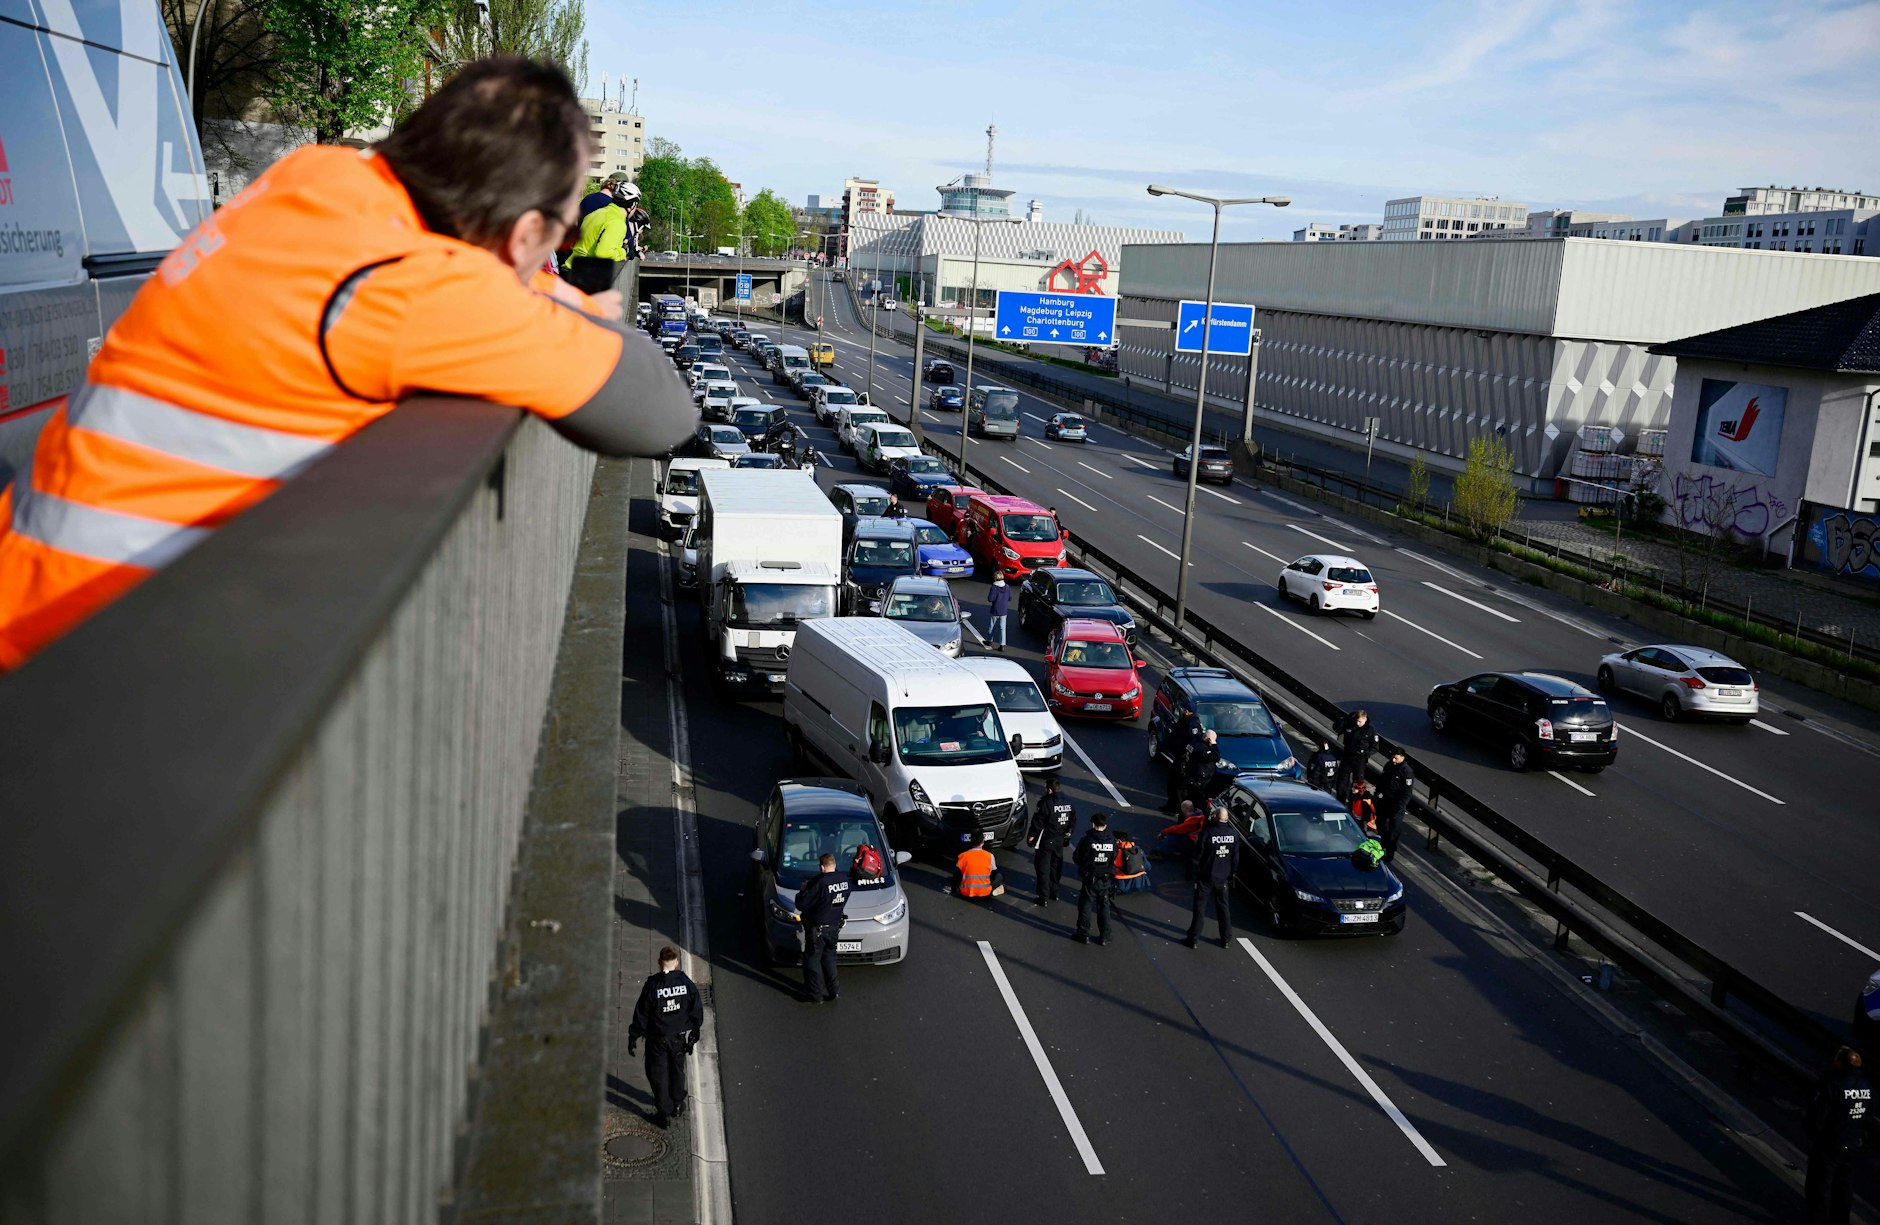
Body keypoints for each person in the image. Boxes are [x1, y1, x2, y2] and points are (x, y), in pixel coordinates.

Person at [0, 57, 695, 671]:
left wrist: (535, 286)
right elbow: (660, 410)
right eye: (564, 225)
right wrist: (547, 300)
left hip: (30, 577)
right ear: (524, 234)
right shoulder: (415, 287)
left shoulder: (321, 176)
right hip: (67, 656)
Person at [627, 945, 704, 1127]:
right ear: (676, 963)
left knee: (658, 1074)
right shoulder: (686, 983)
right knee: (677, 1071)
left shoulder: (653, 985)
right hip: (678, 1038)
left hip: (657, 1039)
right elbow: (696, 1008)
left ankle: (663, 1114)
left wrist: (633, 1035)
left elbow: (642, 1014)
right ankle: (677, 1104)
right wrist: (695, 1031)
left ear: (659, 962)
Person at [1807, 1046, 1872, 1224]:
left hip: (1831, 1143)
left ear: (1840, 1063)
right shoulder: (1866, 1086)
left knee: (1820, 1188)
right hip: (1853, 1143)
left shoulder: (1833, 1084)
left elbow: (1820, 1116)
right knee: (1844, 1187)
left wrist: (1815, 1133)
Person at [565, 176, 639, 295]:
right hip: (584, 278)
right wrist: (622, 253)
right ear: (632, 205)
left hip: (570, 268)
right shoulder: (617, 222)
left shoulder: (596, 214)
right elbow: (603, 253)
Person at [794, 852, 852, 1003]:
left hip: (817, 929)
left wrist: (802, 891)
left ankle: (815, 995)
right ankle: (834, 991)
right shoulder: (844, 880)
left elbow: (801, 904)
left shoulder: (820, 883)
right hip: (834, 927)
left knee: (812, 961)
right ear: (834, 865)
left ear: (821, 867)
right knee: (829, 958)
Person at [1184, 806, 1240, 948]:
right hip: (1223, 878)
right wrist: (1232, 874)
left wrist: (1191, 872)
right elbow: (1235, 859)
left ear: (1214, 817)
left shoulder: (1208, 833)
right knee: (1223, 908)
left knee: (1199, 908)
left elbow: (1197, 855)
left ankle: (1193, 939)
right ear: (1227, 819)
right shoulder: (1233, 835)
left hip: (1206, 876)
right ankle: (1226, 939)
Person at [1028, 776, 1076, 906]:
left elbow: (1037, 822)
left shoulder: (1045, 803)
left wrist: (1031, 836)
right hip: (1060, 840)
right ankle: (1055, 892)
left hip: (1046, 840)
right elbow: (1072, 821)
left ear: (1049, 790)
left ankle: (1043, 896)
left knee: (1043, 868)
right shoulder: (1068, 803)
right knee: (1056, 867)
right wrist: (1068, 834)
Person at [1072, 811, 1120, 945]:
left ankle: (1083, 933)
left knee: (1086, 905)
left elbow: (1077, 857)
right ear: (1105, 825)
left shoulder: (1087, 840)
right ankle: (1105, 936)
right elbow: (1114, 857)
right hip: (1105, 879)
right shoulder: (1111, 840)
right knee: (1104, 907)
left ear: (1093, 824)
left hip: (1090, 878)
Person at [1376, 750, 1415, 862]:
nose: (1393, 760)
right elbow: (1382, 780)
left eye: (1396, 758)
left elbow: (1407, 792)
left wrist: (1400, 805)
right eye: (1392, 757)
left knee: (1394, 829)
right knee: (1380, 823)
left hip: (1397, 804)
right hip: (1385, 800)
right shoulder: (1389, 765)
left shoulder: (1407, 772)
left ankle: (1390, 852)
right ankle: (1382, 844)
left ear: (1402, 758)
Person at [1334, 708, 1379, 801]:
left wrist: (1365, 753)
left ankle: (1354, 803)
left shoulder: (1370, 730)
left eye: (1360, 721)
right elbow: (1336, 728)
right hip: (1347, 757)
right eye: (1357, 721)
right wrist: (1345, 719)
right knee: (1342, 781)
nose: (1358, 723)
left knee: (1357, 785)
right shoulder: (1350, 725)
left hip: (1360, 760)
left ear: (1365, 719)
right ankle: (1340, 800)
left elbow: (1375, 747)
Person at [951, 833, 1004, 899]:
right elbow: (993, 875)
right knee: (999, 876)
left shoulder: (963, 856)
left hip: (966, 894)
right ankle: (995, 889)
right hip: (984, 894)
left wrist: (953, 890)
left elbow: (956, 876)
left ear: (971, 842)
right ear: (982, 842)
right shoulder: (989, 856)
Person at [1183, 729, 1222, 810]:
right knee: (1198, 802)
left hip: (1191, 775)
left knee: (1189, 797)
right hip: (1199, 779)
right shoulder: (1202, 749)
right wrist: (1214, 744)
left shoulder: (1195, 741)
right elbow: (1216, 756)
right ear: (1209, 740)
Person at [1113, 829, 1152, 894]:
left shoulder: (1117, 853)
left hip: (1123, 885)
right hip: (1140, 883)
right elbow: (1148, 866)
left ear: (1118, 841)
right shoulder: (1138, 849)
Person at [986, 576, 1010, 651]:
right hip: (1004, 610)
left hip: (995, 609)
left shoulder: (994, 587)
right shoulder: (1007, 587)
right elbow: (1010, 598)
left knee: (992, 625)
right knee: (1002, 628)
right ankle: (1002, 645)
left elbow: (990, 599)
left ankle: (989, 641)